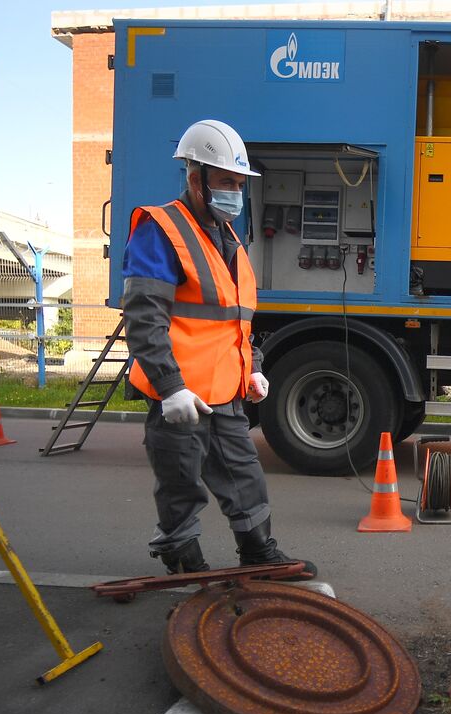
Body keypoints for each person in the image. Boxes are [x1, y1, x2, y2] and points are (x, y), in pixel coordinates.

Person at [122, 119, 315, 579]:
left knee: (243, 473)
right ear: (196, 179)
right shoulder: (161, 228)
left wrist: (254, 367)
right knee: (180, 480)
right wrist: (169, 388)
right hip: (182, 392)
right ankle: (181, 555)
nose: (236, 193)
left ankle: (258, 552)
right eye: (226, 182)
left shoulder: (229, 240)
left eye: (240, 184)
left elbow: (235, 321)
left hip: (227, 389)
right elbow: (144, 316)